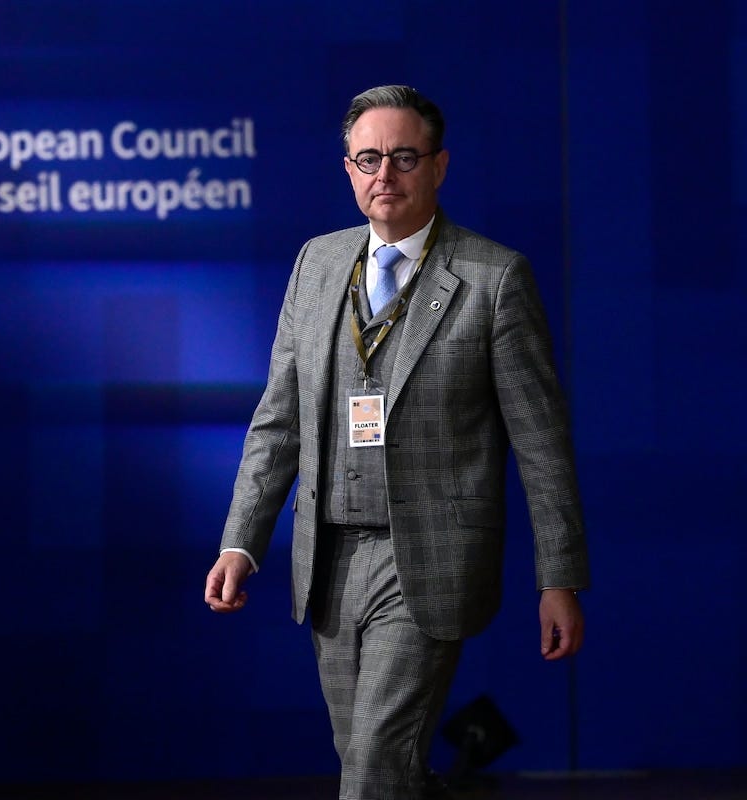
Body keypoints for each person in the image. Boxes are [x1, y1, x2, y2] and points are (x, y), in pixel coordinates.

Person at [203, 85, 589, 800]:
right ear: (347, 169)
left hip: (431, 562)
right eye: (369, 158)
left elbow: (541, 442)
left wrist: (557, 577)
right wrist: (240, 540)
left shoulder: (493, 277)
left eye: (404, 157)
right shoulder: (316, 265)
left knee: (374, 769)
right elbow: (278, 419)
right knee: (375, 764)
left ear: (439, 166)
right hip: (328, 562)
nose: (386, 174)